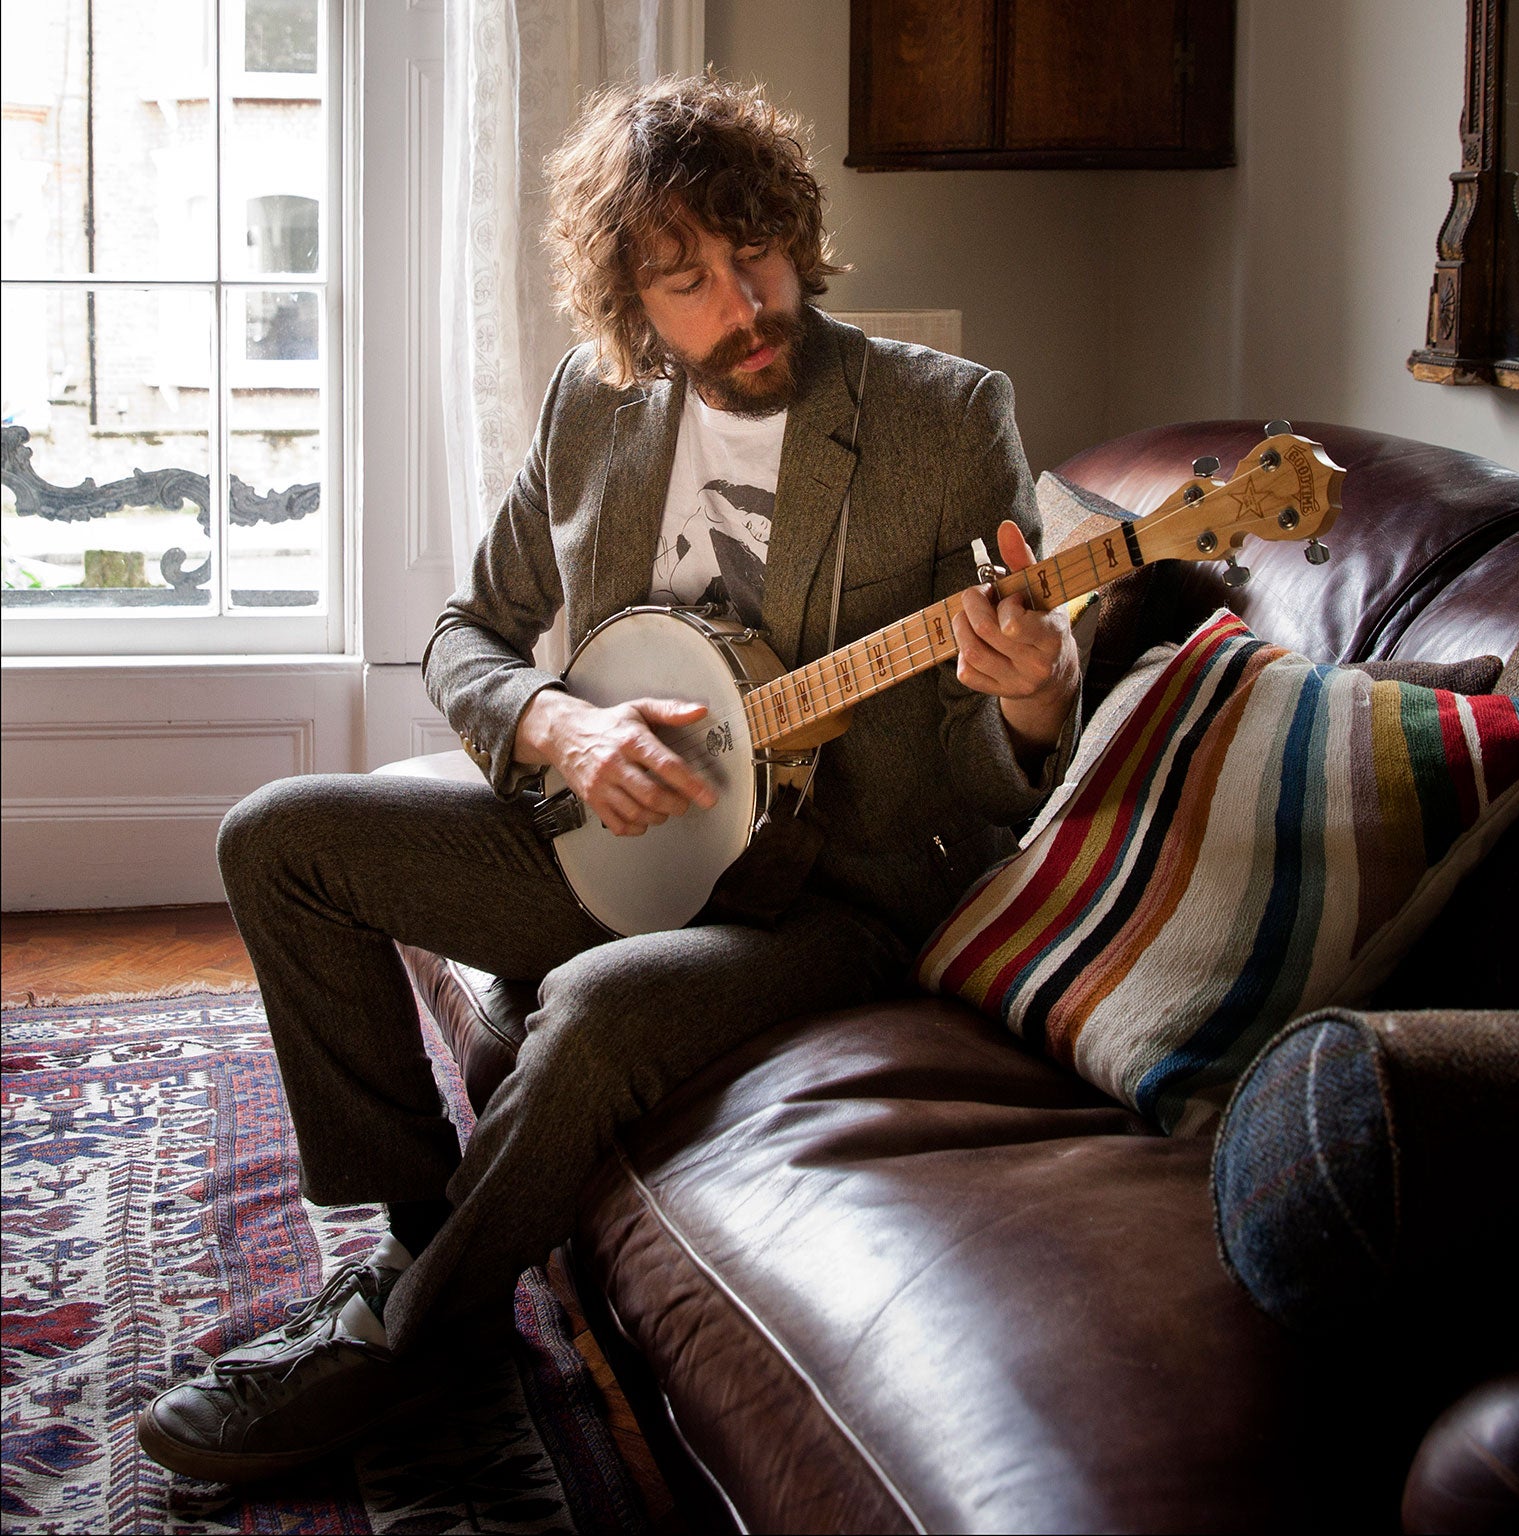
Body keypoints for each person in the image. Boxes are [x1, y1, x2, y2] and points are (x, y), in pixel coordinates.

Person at [137, 73, 1079, 1483]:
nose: (741, 304)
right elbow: (469, 631)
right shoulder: (597, 400)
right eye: (687, 279)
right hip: (614, 834)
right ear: (631, 298)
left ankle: (397, 1351)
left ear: (799, 237)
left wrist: (1039, 697)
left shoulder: (945, 419)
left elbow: (984, 777)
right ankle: (416, 1242)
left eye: (757, 254)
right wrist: (555, 730)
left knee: (580, 1016)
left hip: (825, 898)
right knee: (277, 838)